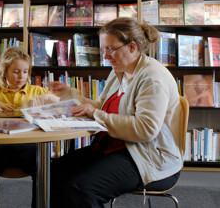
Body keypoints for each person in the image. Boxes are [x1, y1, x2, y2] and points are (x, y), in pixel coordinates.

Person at [48, 17, 183, 208]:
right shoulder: (119, 70)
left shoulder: (152, 78)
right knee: (53, 173)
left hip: (149, 156)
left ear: (132, 47)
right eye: (104, 49)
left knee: (81, 189)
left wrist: (95, 113)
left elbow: (145, 130)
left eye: (110, 49)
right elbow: (101, 107)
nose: (105, 56)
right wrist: (71, 95)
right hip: (116, 147)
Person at [0, 46, 59, 208]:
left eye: (25, 71)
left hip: (30, 146)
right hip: (2, 147)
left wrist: (47, 98)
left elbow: (59, 102)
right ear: (4, 72)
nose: (21, 76)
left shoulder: (36, 91)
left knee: (44, 169)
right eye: (16, 72)